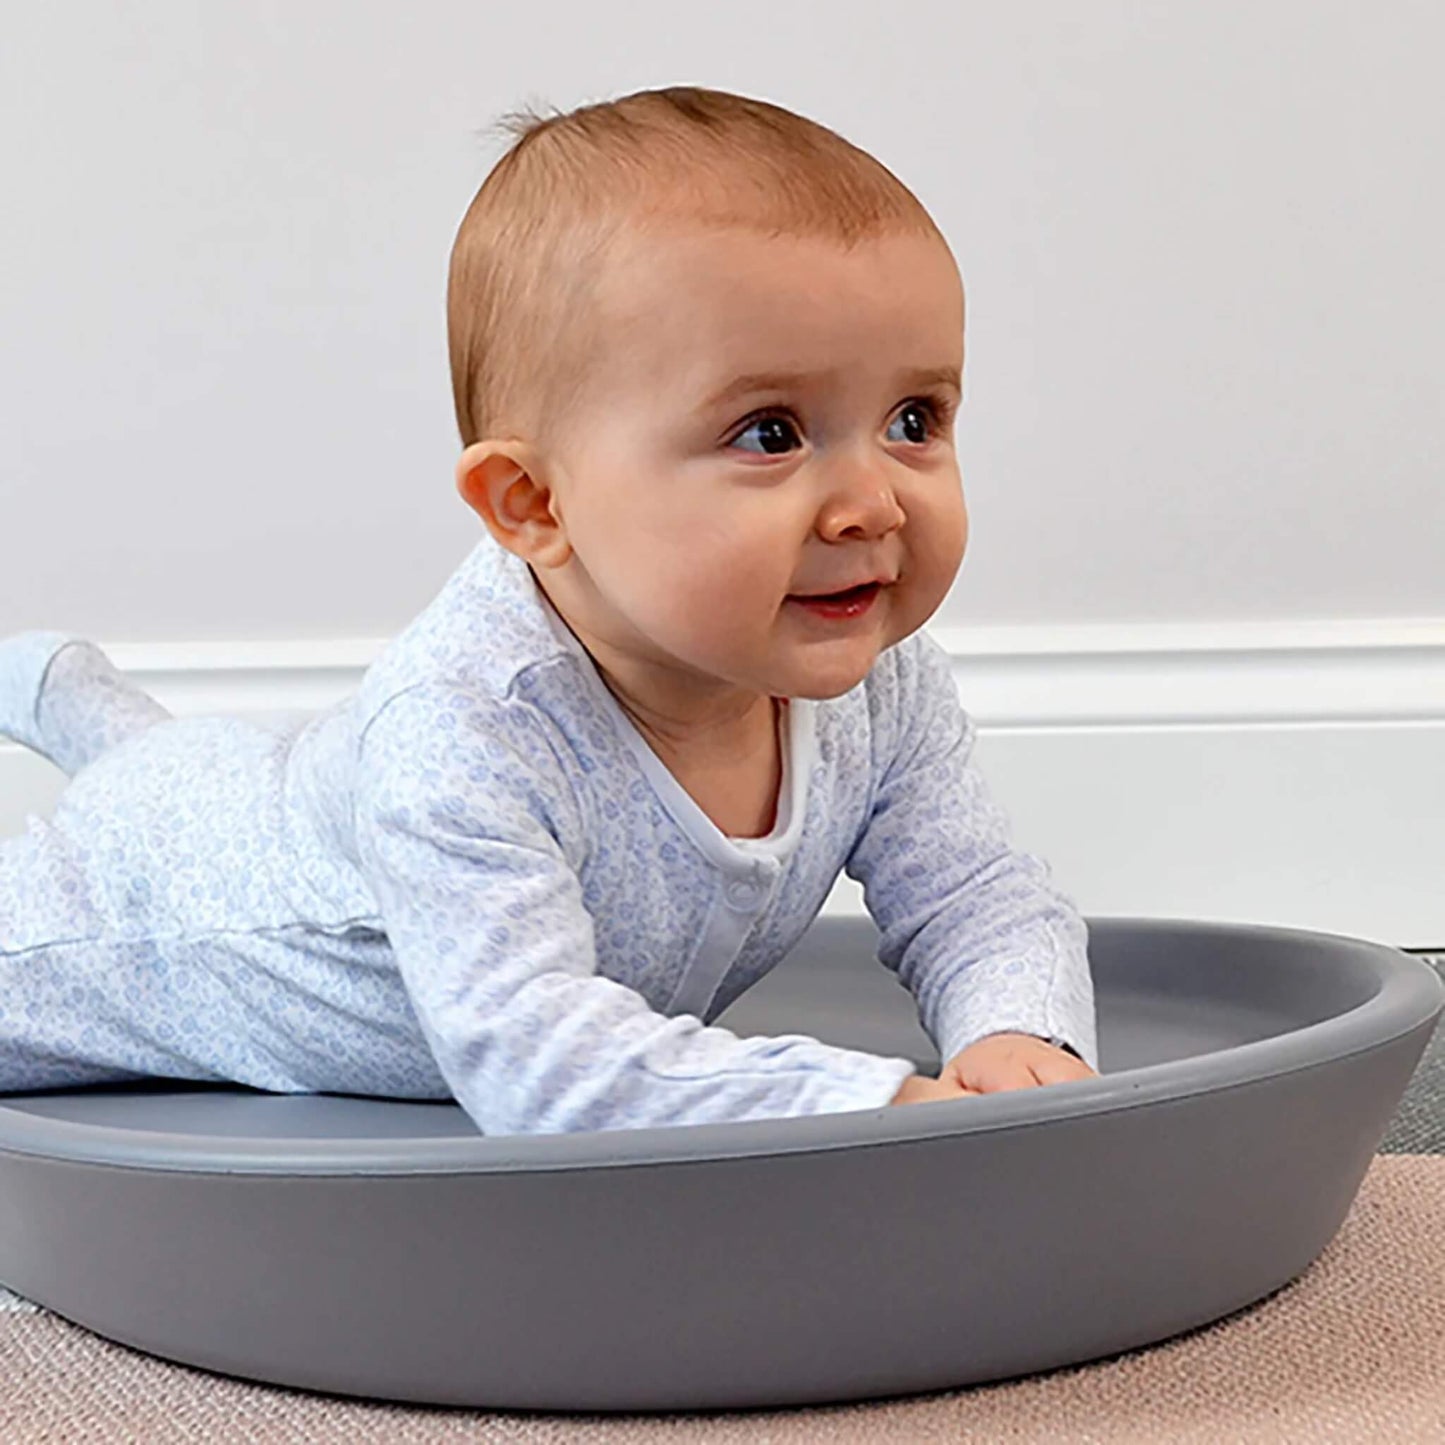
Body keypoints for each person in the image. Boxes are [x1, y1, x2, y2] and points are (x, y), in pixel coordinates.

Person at [0, 85, 1097, 1134]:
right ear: (533, 503)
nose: (870, 503)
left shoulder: (881, 682)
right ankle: (72, 708)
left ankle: (71, 700)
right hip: (174, 910)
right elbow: (540, 1062)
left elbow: (975, 890)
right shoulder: (465, 728)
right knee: (140, 822)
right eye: (771, 433)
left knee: (194, 772)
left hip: (291, 791)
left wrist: (1017, 1029)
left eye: (914, 417)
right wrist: (879, 1107)